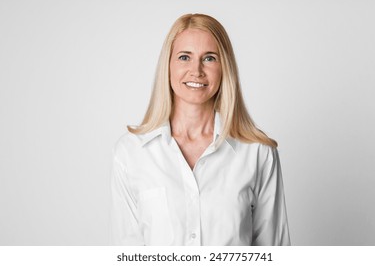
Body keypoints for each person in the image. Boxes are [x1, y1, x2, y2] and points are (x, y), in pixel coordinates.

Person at [109, 13, 290, 246]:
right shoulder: (130, 153)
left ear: (225, 67)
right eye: (185, 57)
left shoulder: (257, 153)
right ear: (168, 65)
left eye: (209, 58)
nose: (196, 70)